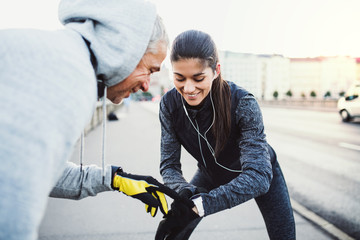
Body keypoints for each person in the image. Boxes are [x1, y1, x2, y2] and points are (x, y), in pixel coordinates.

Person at [0, 0, 176, 239]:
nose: (146, 84)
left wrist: (114, 179)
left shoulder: (60, 54)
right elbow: (12, 210)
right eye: (150, 69)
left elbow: (34, 169)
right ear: (126, 47)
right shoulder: (70, 76)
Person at [155, 30, 296, 240]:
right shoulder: (169, 105)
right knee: (173, 233)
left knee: (284, 237)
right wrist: (183, 193)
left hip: (259, 173)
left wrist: (201, 205)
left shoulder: (243, 103)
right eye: (179, 78)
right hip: (210, 172)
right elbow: (169, 166)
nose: (189, 88)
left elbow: (258, 177)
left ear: (216, 70)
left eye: (198, 77)